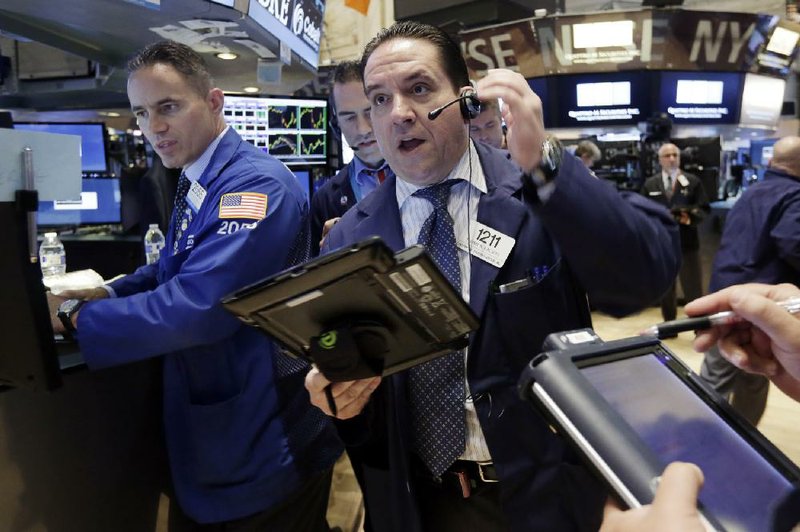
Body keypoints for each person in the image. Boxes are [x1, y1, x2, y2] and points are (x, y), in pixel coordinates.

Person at [304, 21, 680, 531]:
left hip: (541, 495)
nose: (399, 114)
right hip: (418, 501)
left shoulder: (534, 191)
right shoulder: (351, 234)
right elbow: (373, 398)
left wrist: (544, 161)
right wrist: (344, 404)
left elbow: (643, 278)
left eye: (418, 89)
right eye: (379, 99)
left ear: (466, 98)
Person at [46, 41, 342, 530]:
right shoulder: (200, 174)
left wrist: (74, 316)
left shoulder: (253, 187)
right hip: (221, 440)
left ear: (213, 102)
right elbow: (173, 265)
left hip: (264, 441)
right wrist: (109, 292)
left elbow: (198, 304)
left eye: (168, 107)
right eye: (141, 112)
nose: (153, 127)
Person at [699, 138, 800, 424]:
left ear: (772, 162)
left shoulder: (751, 193)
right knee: (754, 373)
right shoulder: (794, 196)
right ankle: (732, 442)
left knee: (731, 371)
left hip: (725, 291)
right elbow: (793, 243)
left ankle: (710, 440)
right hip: (757, 304)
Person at [310, 59, 392, 255]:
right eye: (349, 117)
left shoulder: (424, 172)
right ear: (335, 125)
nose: (363, 129)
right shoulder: (326, 199)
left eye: (369, 112)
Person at [641, 142, 710, 323]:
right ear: (660, 160)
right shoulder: (650, 184)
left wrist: (686, 217)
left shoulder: (693, 181)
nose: (671, 159)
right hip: (662, 244)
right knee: (666, 287)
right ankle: (669, 325)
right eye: (667, 155)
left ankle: (698, 325)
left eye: (675, 155)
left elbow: (704, 209)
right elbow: (642, 212)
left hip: (687, 243)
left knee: (693, 286)